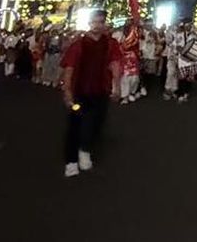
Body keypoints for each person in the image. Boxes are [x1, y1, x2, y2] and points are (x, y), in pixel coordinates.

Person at [60, 9, 121, 178]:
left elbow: (115, 64)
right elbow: (69, 68)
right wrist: (67, 91)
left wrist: (116, 86)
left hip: (101, 91)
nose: (97, 25)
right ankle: (71, 161)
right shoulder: (78, 44)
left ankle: (85, 150)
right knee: (75, 125)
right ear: (89, 23)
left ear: (105, 24)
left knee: (97, 124)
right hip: (80, 91)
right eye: (94, 21)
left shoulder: (110, 43)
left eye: (101, 22)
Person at [175, 20, 197, 103]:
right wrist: (184, 53)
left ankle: (187, 92)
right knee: (182, 78)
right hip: (183, 60)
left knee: (190, 78)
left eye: (190, 25)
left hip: (193, 60)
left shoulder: (196, 35)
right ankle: (181, 94)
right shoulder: (179, 35)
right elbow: (177, 46)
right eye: (187, 25)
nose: (189, 26)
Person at [115, 24, 142, 103]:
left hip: (132, 58)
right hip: (124, 59)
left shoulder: (135, 37)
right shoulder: (119, 36)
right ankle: (125, 96)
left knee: (135, 78)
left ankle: (132, 92)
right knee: (125, 79)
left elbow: (137, 47)